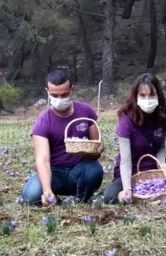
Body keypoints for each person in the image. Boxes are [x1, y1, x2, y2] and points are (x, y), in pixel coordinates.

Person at [103, 73, 166, 204]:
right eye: (143, 95)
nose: (147, 99)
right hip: (132, 172)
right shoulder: (126, 120)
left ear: (158, 95)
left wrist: (161, 163)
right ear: (136, 96)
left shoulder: (162, 114)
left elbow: (160, 146)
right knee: (110, 197)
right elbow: (125, 160)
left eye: (152, 95)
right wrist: (127, 188)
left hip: (155, 169)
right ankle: (144, 195)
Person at [21, 69, 104, 205]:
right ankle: (54, 198)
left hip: (79, 168)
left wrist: (93, 150)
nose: (59, 100)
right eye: (54, 95)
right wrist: (47, 189)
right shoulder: (43, 121)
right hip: (54, 172)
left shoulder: (86, 111)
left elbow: (98, 146)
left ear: (71, 90)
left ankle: (81, 197)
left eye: (64, 95)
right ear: (47, 91)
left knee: (94, 170)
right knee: (31, 196)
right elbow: (42, 160)